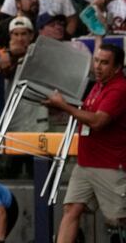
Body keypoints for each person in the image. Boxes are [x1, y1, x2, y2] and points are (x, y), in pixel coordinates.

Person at [44, 43, 126, 242]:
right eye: (96, 61)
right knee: (71, 209)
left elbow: (98, 121)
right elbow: (86, 112)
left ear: (117, 68)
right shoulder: (98, 85)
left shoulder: (120, 88)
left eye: (104, 63)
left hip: (110, 164)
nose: (98, 66)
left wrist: (64, 106)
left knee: (119, 221)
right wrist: (61, 105)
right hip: (85, 162)